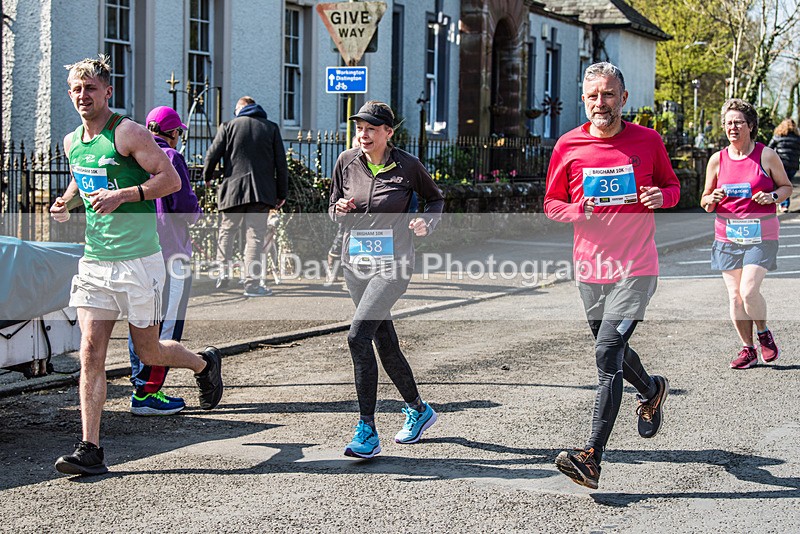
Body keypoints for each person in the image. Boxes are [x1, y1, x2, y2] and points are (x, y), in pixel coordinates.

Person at [49, 56, 223, 476]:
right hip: (95, 261)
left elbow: (171, 180)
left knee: (148, 350)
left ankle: (203, 363)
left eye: (90, 88)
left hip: (138, 262)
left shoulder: (127, 132)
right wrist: (67, 200)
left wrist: (124, 196)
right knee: (90, 351)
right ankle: (90, 448)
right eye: (76, 89)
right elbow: (84, 174)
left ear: (108, 91)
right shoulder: (74, 141)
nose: (82, 96)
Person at [544, 62, 680, 489]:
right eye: (592, 96)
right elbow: (551, 203)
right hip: (590, 270)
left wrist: (663, 196)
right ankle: (652, 389)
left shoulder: (648, 140)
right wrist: (576, 209)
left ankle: (592, 455)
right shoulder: (568, 145)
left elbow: (673, 188)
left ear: (623, 98)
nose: (599, 103)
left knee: (606, 353)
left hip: (636, 269)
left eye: (607, 94)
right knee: (615, 352)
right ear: (583, 100)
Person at [329, 101, 444, 458]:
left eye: (371, 129)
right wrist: (339, 209)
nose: (363, 135)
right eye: (359, 128)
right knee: (384, 343)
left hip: (393, 265)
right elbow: (332, 205)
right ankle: (418, 408)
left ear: (388, 133)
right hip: (356, 264)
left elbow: (436, 199)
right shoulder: (346, 161)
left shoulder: (408, 166)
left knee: (356, 337)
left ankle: (367, 429)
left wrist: (427, 223)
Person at [701, 99, 792, 369]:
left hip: (761, 234)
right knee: (735, 296)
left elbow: (786, 187)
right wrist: (712, 198)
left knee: (749, 290)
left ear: (751, 126)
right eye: (729, 123)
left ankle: (763, 333)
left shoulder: (766, 155)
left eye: (739, 122)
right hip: (728, 235)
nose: (733, 127)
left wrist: (773, 196)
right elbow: (705, 202)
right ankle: (748, 349)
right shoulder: (717, 160)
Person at [127, 106, 202, 416]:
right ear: (173, 133)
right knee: (167, 324)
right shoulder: (171, 157)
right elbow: (184, 205)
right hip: (170, 250)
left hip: (137, 248)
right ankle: (148, 393)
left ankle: (139, 385)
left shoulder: (132, 156)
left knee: (141, 320)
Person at [203, 96, 288, 297]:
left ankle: (222, 276)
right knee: (255, 238)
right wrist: (281, 193)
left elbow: (212, 155)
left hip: (232, 191)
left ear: (240, 109)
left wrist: (207, 177)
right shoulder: (271, 128)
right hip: (261, 193)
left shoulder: (228, 126)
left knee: (227, 233)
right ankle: (252, 285)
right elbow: (281, 164)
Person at [768, 118, 800, 213]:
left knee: (779, 184)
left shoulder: (778, 136)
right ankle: (783, 204)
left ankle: (781, 204)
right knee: (787, 184)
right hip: (793, 165)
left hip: (780, 164)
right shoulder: (797, 139)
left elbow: (769, 149)